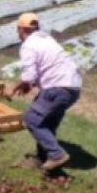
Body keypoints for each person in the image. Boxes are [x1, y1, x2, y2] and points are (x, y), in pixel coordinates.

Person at [10, 13, 82, 172]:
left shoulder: (28, 45)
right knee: (46, 123)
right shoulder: (46, 39)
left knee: (31, 119)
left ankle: (57, 155)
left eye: (18, 30)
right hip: (72, 89)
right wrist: (30, 83)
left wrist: (19, 85)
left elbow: (29, 75)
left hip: (56, 88)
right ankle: (42, 159)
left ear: (20, 30)